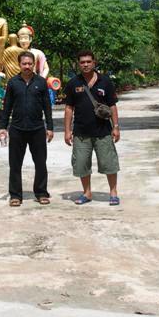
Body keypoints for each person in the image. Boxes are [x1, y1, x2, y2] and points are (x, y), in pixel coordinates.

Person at [63, 50, 120, 206]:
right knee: (81, 164)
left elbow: (112, 106)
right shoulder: (73, 83)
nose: (86, 64)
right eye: (82, 62)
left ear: (94, 62)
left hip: (103, 132)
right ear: (78, 64)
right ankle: (87, 193)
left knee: (109, 163)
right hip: (81, 132)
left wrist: (116, 127)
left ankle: (113, 193)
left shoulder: (105, 81)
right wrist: (67, 131)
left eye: (89, 61)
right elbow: (69, 108)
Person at [0, 51, 54, 207]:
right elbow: (7, 106)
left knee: (41, 163)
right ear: (19, 64)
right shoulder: (13, 83)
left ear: (33, 64)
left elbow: (47, 107)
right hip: (17, 129)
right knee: (15, 164)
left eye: (30, 63)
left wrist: (50, 127)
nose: (27, 66)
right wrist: (3, 127)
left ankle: (41, 193)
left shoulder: (41, 82)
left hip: (37, 129)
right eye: (24, 64)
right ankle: (15, 195)